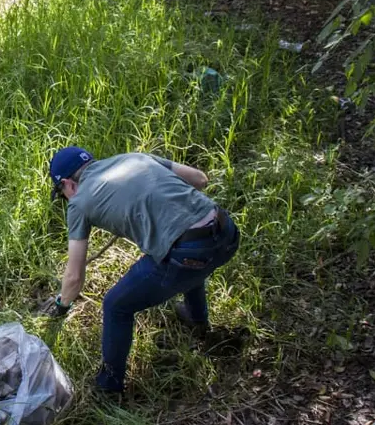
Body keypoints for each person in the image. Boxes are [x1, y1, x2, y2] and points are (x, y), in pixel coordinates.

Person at [42, 146, 241, 394]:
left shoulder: (79, 204)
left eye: (62, 194)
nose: (66, 199)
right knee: (183, 253)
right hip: (227, 233)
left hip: (190, 255)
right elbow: (200, 179)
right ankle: (196, 318)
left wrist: (61, 306)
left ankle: (109, 388)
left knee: (116, 305)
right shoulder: (134, 158)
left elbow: (73, 278)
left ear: (68, 184)